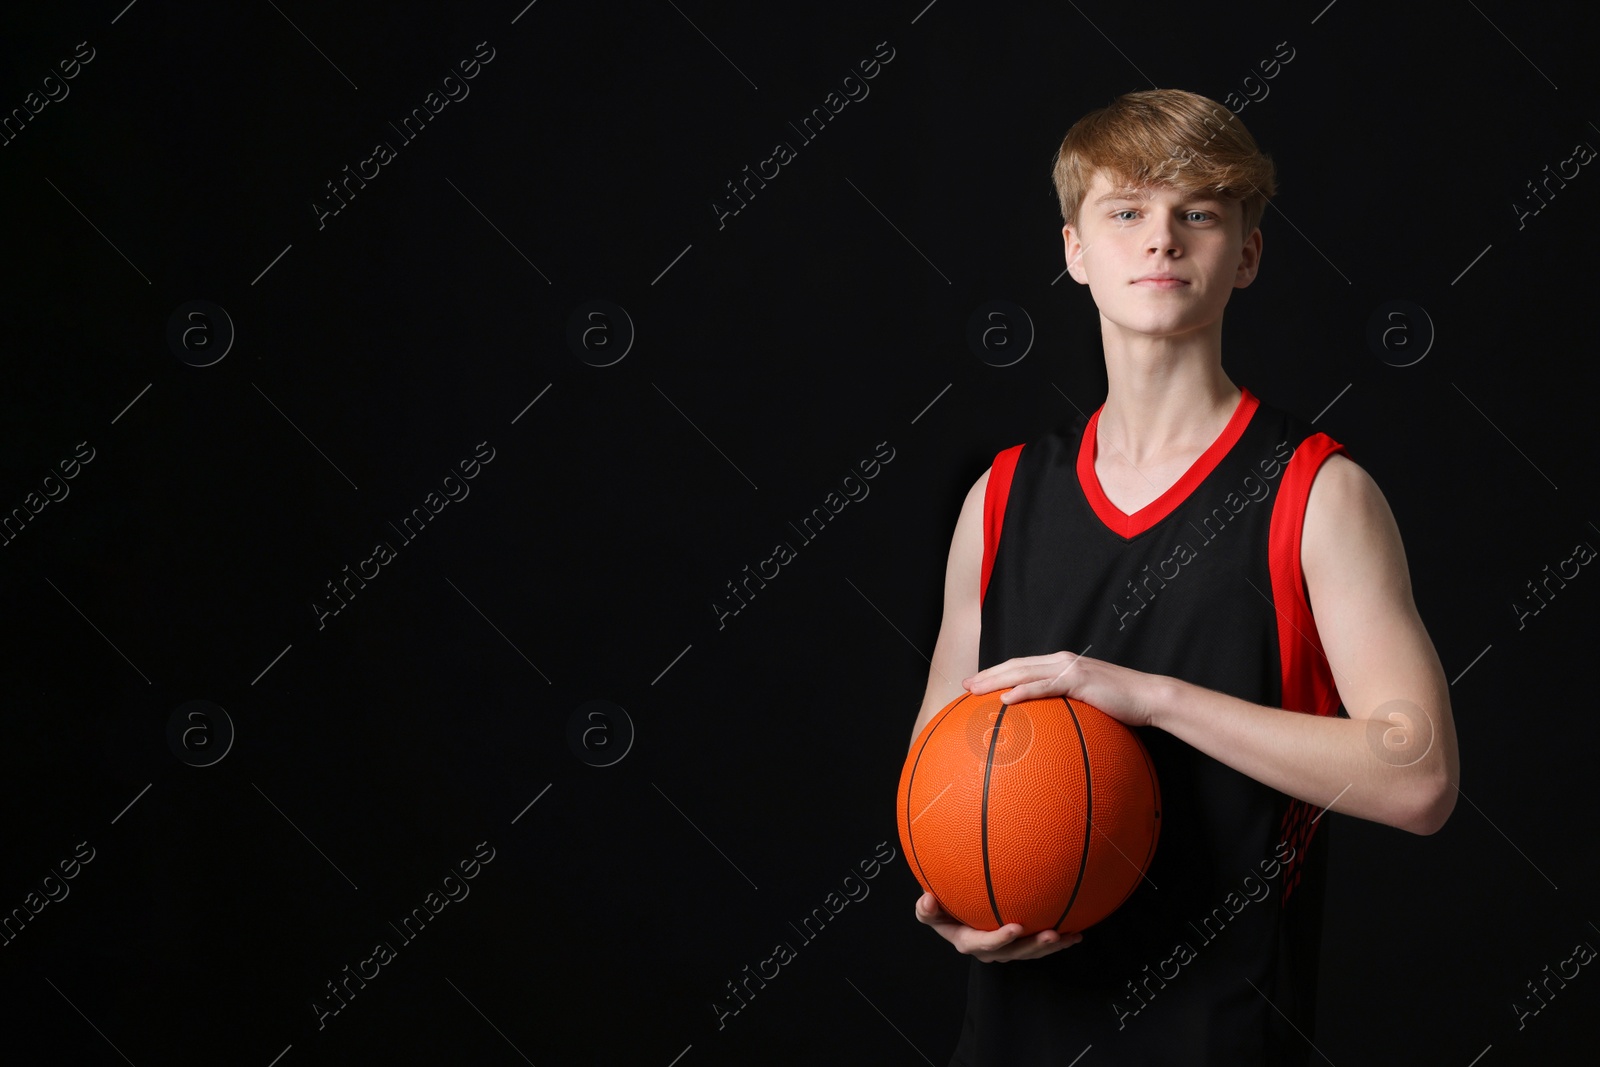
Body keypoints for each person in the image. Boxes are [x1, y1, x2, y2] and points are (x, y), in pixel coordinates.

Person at [906, 88, 1460, 1065]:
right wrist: (954, 889)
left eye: (1197, 212)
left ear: (1244, 253)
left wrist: (1145, 697)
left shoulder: (1317, 495)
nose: (1160, 238)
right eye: (1125, 212)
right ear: (1075, 250)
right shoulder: (998, 498)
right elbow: (937, 773)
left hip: (1217, 1035)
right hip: (1009, 1035)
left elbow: (1417, 776)